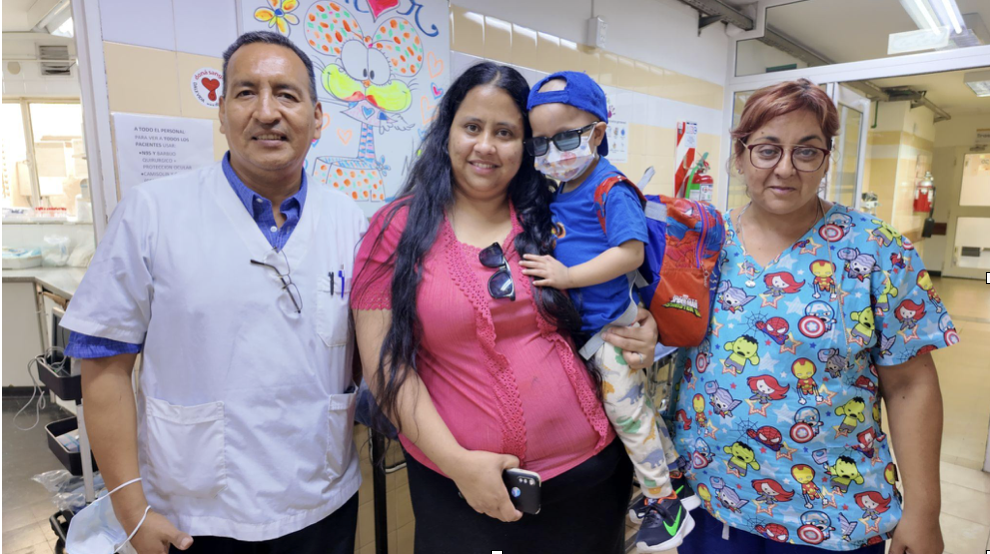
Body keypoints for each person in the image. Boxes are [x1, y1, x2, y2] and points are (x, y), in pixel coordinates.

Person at [60, 31, 364, 554]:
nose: (267, 112)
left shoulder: (350, 221)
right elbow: (104, 368)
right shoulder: (151, 212)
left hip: (324, 501)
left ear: (318, 119)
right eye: (246, 92)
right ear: (221, 113)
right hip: (195, 513)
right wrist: (132, 511)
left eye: (286, 94)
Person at [351, 62, 660, 554]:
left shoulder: (553, 215)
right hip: (466, 490)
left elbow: (617, 286)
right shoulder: (395, 229)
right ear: (446, 130)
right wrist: (457, 463)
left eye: (506, 132)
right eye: (472, 127)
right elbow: (386, 365)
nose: (486, 146)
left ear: (528, 144)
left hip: (592, 480)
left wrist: (644, 327)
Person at [672, 78, 953, 554]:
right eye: (767, 150)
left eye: (807, 151)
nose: (785, 168)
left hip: (835, 511)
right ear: (740, 156)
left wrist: (925, 511)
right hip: (712, 498)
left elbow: (910, 385)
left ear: (826, 159)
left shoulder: (875, 250)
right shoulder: (702, 241)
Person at [519, 71, 693, 551]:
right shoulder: (558, 190)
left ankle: (665, 505)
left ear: (598, 133)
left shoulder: (608, 188)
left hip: (613, 328)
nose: (553, 152)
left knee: (626, 411)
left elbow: (631, 253)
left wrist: (568, 277)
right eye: (541, 143)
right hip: (587, 329)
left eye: (566, 137)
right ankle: (676, 476)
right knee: (637, 408)